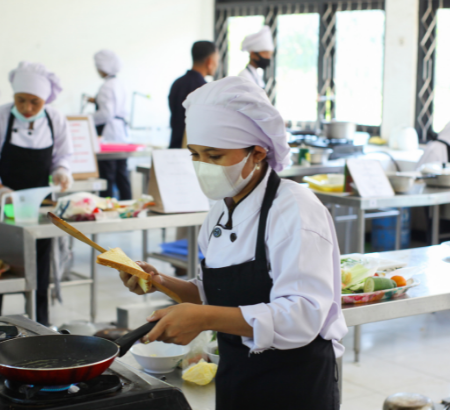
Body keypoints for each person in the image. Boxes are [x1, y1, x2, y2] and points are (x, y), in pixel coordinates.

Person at [118, 77, 346, 410]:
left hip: (296, 383)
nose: (202, 166)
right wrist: (161, 283)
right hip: (237, 375)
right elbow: (217, 293)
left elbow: (303, 316)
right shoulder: (219, 212)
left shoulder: (295, 210)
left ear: (257, 153)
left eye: (215, 155)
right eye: (195, 154)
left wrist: (203, 318)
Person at [0, 62, 73, 326]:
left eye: (34, 102)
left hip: (37, 210)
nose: (27, 108)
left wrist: (61, 172)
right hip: (0, 205)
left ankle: (40, 325)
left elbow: (63, 157)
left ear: (45, 99)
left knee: (39, 272)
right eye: (21, 100)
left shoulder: (55, 119)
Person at [89, 50, 131, 199]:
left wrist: (86, 119)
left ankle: (105, 206)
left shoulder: (106, 86)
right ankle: (129, 205)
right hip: (121, 133)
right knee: (122, 174)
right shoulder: (119, 83)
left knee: (107, 174)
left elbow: (106, 113)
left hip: (109, 134)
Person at [168, 41, 218, 149]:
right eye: (217, 61)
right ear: (210, 62)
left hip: (174, 149)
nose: (217, 65)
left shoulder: (177, 83)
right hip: (192, 153)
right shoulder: (204, 89)